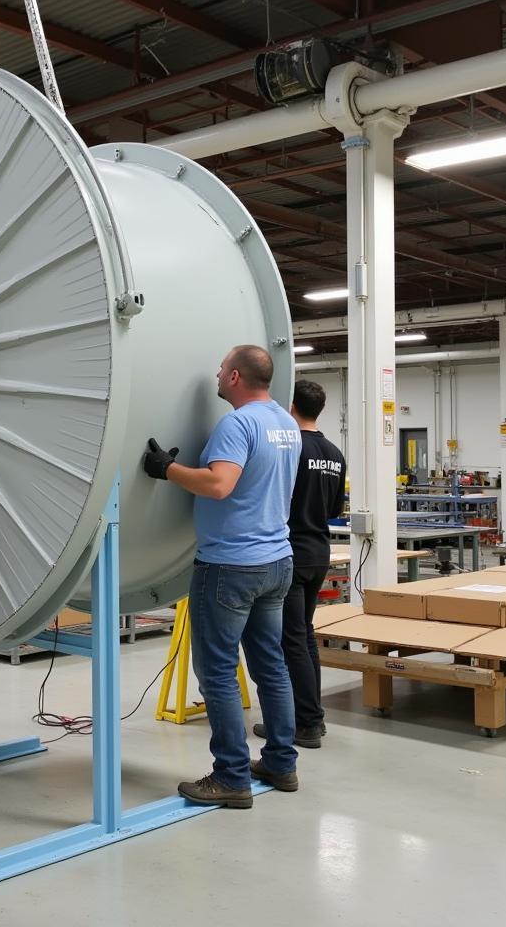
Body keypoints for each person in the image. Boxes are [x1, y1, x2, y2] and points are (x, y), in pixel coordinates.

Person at [143, 344, 301, 809]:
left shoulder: (238, 424)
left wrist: (166, 469)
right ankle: (280, 763)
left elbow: (219, 484)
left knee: (217, 671)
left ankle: (231, 776)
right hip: (276, 560)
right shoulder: (285, 424)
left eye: (221, 368)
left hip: (231, 565)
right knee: (270, 666)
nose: (216, 373)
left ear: (234, 378)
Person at [255, 379, 346, 749]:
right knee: (304, 636)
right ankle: (308, 717)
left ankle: (305, 723)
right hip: (320, 551)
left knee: (290, 640)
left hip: (290, 551)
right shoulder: (335, 453)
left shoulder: (290, 447)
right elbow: (337, 510)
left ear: (291, 406)